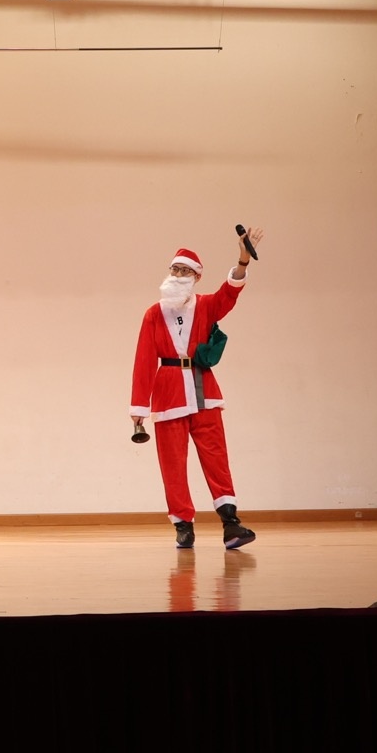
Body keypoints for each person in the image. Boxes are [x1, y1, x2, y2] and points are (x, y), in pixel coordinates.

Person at [129, 228, 263, 549]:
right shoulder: (153, 314)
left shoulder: (205, 306)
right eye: (174, 269)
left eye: (184, 271)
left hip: (204, 392)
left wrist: (243, 260)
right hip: (168, 393)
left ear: (197, 277)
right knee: (172, 463)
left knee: (216, 456)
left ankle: (230, 523)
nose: (177, 275)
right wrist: (139, 409)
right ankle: (183, 526)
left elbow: (229, 294)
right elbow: (144, 361)